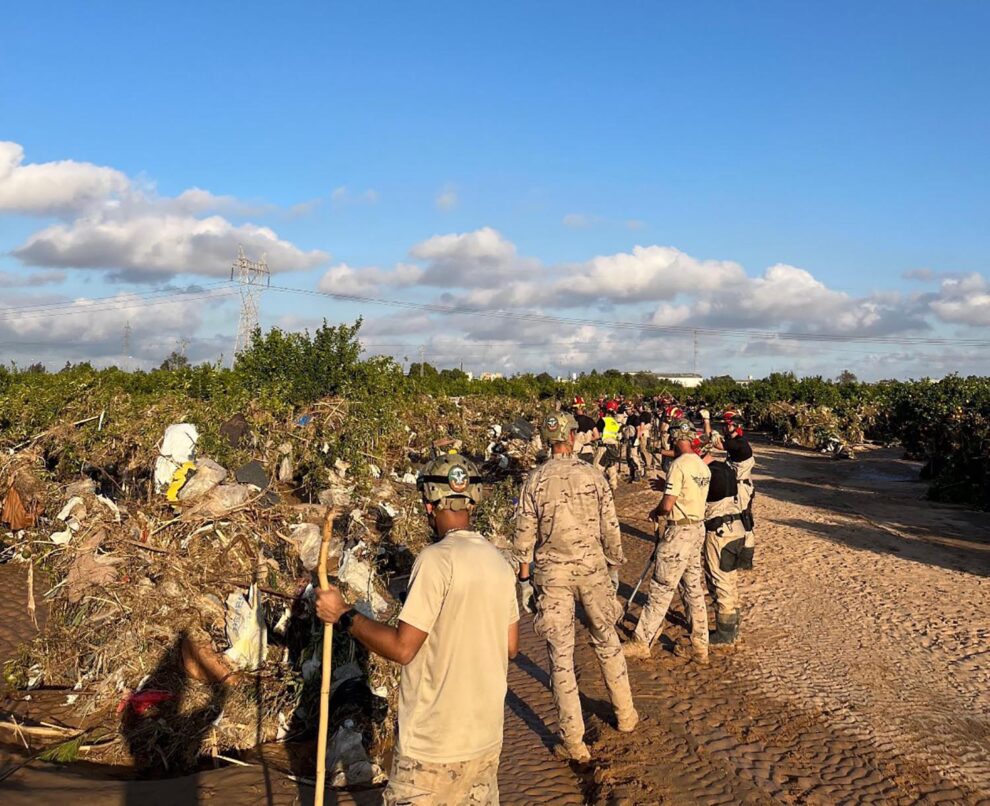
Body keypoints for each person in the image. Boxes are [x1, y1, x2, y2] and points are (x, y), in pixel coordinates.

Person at [315, 453, 519, 805]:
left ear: (430, 505)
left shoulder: (435, 560)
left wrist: (343, 614)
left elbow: (403, 648)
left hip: (433, 747)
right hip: (485, 742)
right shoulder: (498, 562)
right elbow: (511, 646)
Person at [513, 413, 638, 762]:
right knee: (607, 640)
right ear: (572, 436)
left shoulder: (534, 481)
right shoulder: (593, 475)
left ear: (545, 439)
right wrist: (614, 566)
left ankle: (573, 741)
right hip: (593, 570)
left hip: (552, 576)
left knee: (561, 656)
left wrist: (524, 578)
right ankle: (625, 715)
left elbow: (524, 533)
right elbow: (611, 527)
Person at [624, 420, 711, 663]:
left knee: (661, 588)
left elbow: (668, 504)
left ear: (673, 439)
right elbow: (687, 493)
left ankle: (642, 640)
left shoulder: (678, 465)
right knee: (693, 588)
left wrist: (656, 511)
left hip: (679, 534)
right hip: (697, 529)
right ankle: (700, 645)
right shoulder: (702, 466)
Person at [702, 453, 746, 645]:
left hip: (719, 532)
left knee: (720, 580)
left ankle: (725, 634)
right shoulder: (727, 469)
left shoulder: (709, 474)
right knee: (730, 578)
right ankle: (734, 627)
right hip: (736, 528)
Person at [722, 411, 756, 569]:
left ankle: (746, 559)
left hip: (742, 487)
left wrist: (707, 422)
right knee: (737, 519)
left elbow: (721, 445)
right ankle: (740, 554)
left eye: (728, 424)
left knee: (744, 520)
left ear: (737, 426)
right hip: (739, 485)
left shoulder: (739, 443)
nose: (725, 427)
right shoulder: (737, 441)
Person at [595, 403, 621, 490]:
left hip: (604, 447)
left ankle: (599, 488)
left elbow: (597, 434)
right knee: (611, 467)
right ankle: (613, 485)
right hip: (614, 447)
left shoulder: (603, 420)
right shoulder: (615, 422)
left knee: (597, 468)